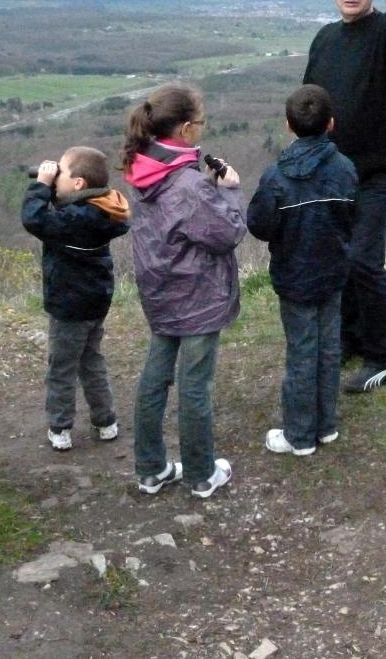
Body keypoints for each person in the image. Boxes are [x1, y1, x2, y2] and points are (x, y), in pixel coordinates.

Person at [302, 0, 386, 394]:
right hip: (330, 172)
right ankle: (348, 338)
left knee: (363, 261)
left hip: (375, 174)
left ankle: (384, 356)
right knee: (338, 261)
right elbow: (310, 99)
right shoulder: (325, 39)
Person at [123, 83, 246, 499]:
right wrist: (228, 191)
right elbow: (226, 232)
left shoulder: (140, 169)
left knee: (155, 378)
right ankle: (200, 473)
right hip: (197, 298)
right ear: (188, 130)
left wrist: (206, 188)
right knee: (195, 386)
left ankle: (151, 468)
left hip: (159, 291)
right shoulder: (188, 185)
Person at [246, 85, 358, 455]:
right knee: (328, 347)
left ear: (288, 125)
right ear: (331, 123)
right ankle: (325, 426)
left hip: (294, 275)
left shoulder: (276, 175)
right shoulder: (345, 169)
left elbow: (260, 226)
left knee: (302, 351)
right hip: (333, 272)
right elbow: (351, 218)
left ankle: (299, 435)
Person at [21, 146, 131, 452]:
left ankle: (60, 427)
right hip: (96, 302)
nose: (57, 175)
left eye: (63, 172)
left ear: (79, 183)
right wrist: (57, 186)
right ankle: (105, 421)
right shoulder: (104, 209)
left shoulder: (73, 221)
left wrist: (41, 184)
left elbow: (34, 219)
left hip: (69, 305)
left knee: (62, 368)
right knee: (91, 360)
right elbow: (70, 211)